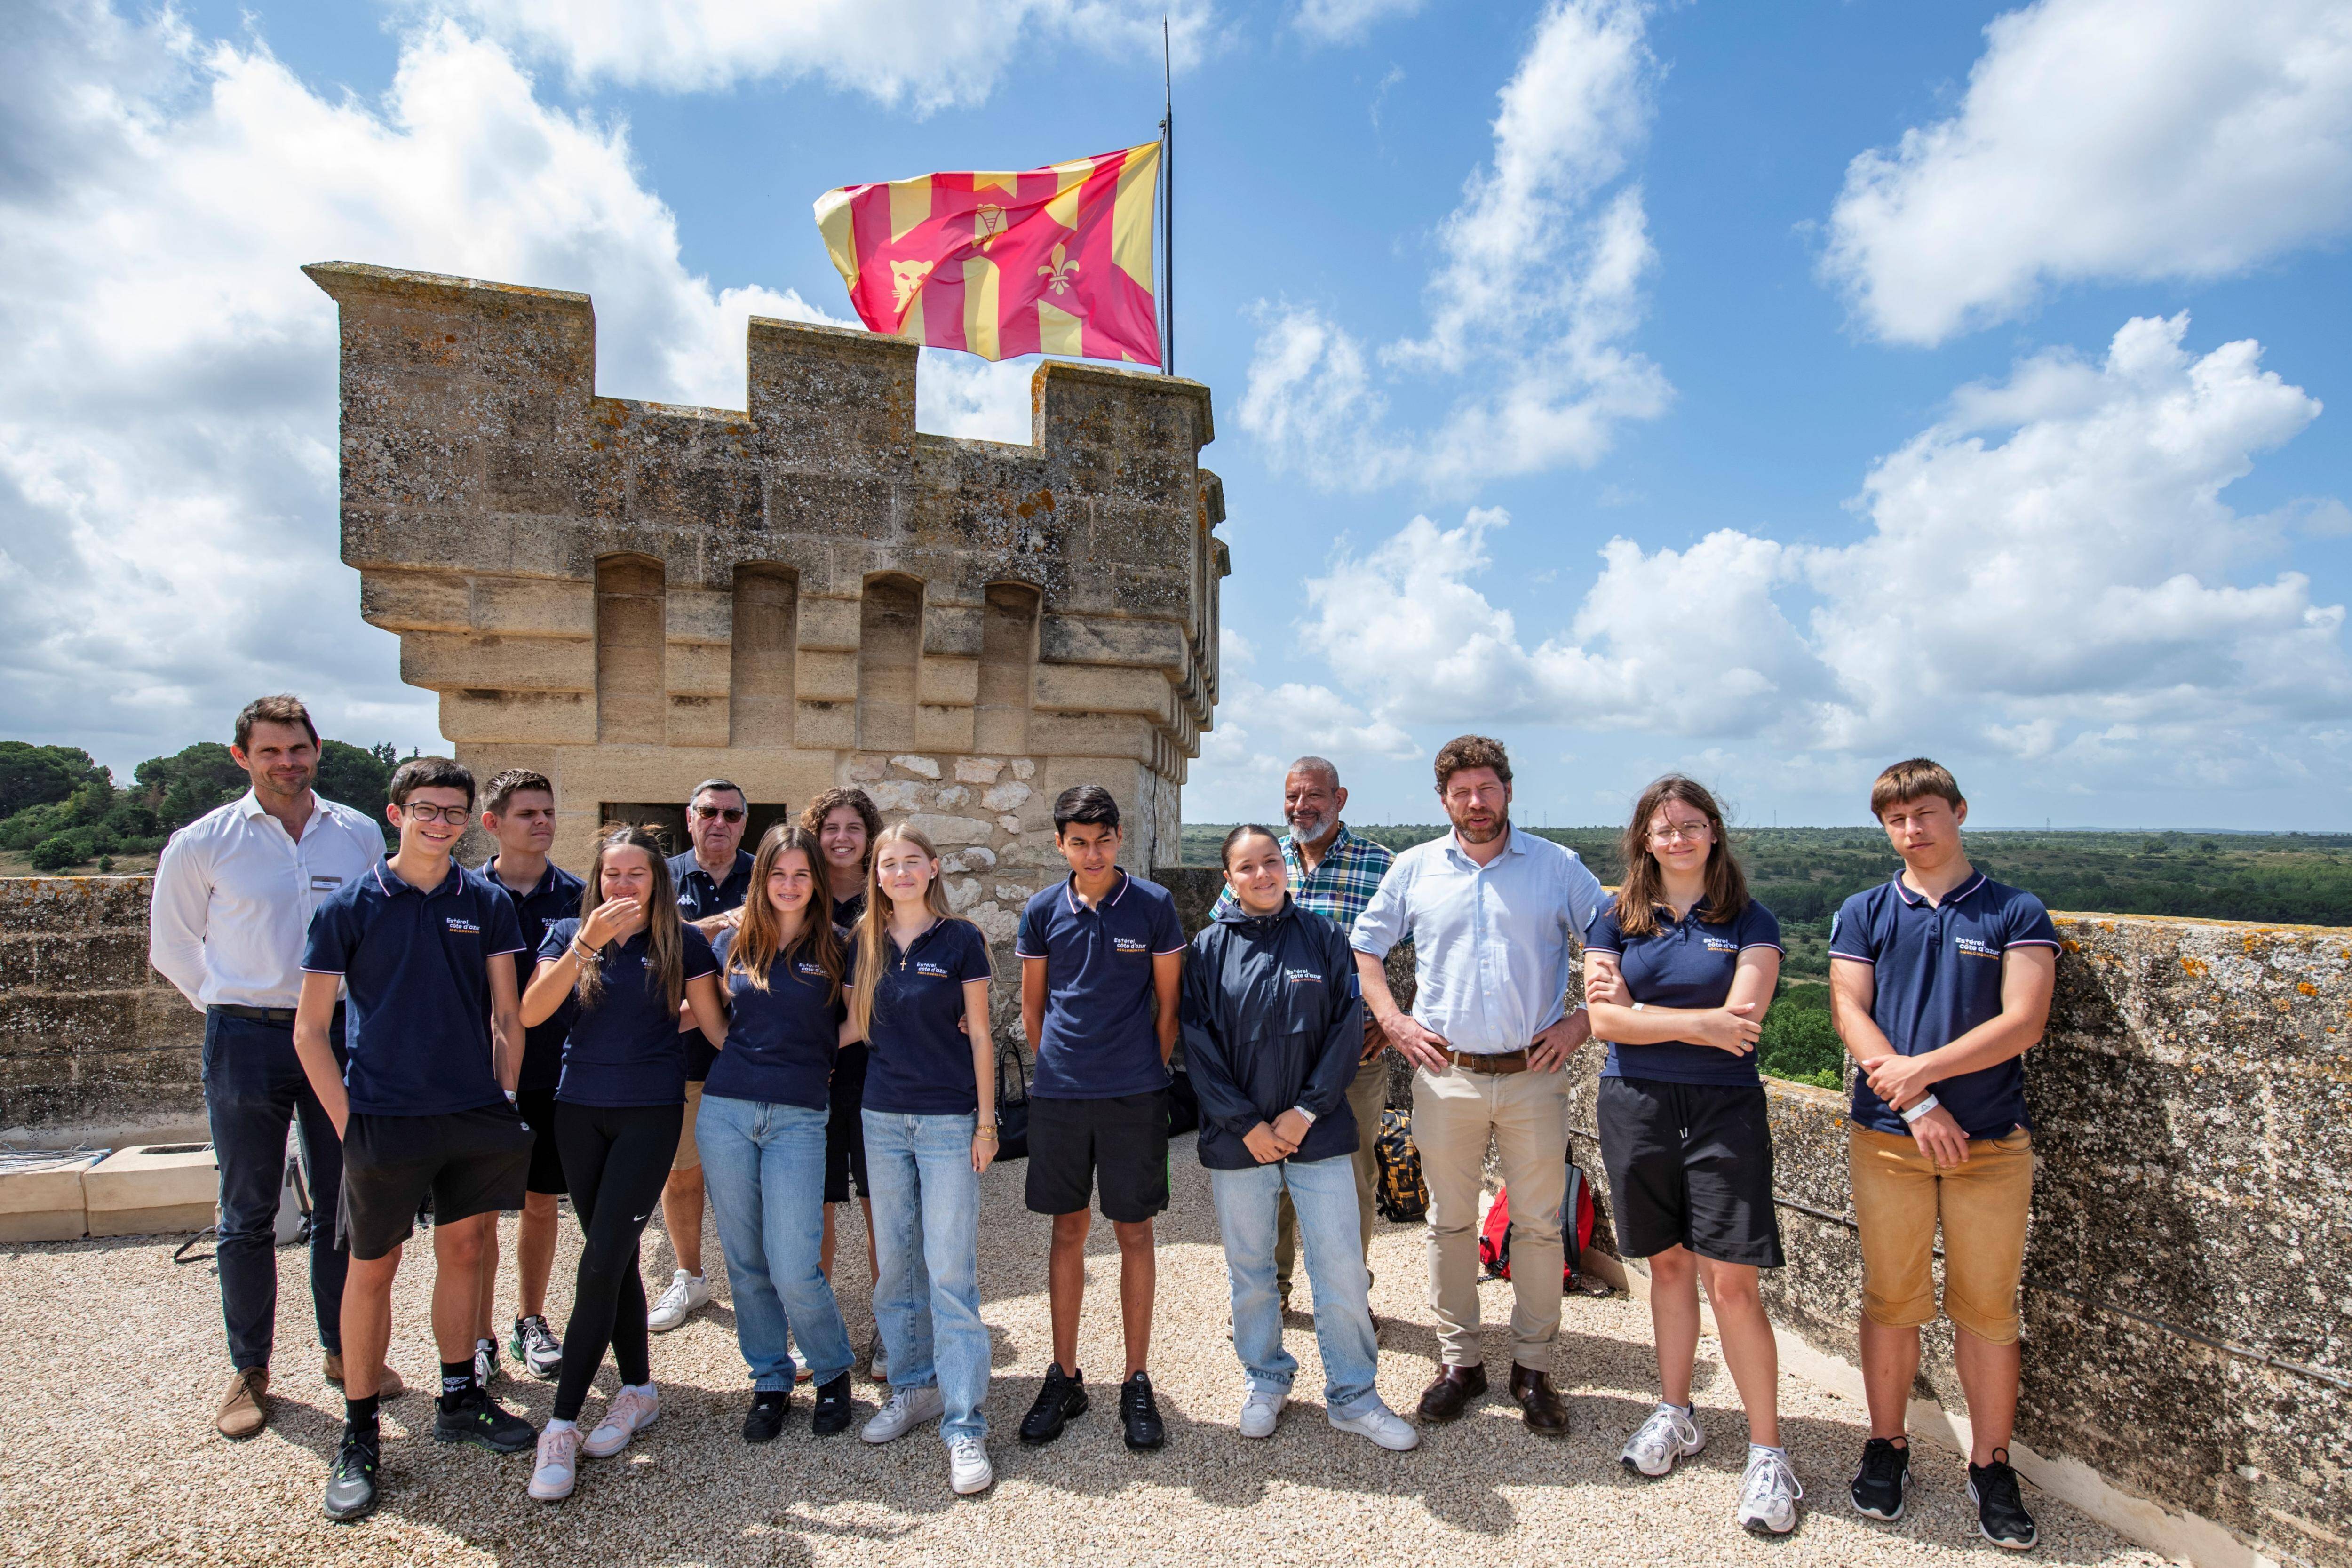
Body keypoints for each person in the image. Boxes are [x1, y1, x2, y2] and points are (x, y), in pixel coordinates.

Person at [148, 694, 405, 1441]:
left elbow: (379, 930)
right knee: (247, 1210)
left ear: (317, 749)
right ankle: (250, 1369)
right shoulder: (203, 841)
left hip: (339, 1034)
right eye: (270, 751)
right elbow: (173, 946)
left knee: (343, 1200)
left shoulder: (355, 834)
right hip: (248, 1036)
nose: (286, 763)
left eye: (297, 749)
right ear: (243, 758)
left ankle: (340, 1348)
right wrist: (226, 1004)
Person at [292, 756, 538, 1523]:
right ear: (396, 813)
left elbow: (508, 1014)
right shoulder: (352, 905)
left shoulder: (487, 902)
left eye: (454, 811)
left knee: (464, 1253)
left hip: (470, 1112)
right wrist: (347, 1124)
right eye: (425, 808)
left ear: (470, 820)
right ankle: (360, 1432)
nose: (440, 822)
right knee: (373, 1268)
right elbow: (309, 1029)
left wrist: (502, 1097)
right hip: (383, 1116)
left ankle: (460, 1396)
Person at [1828, 760, 2058, 1552]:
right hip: (1890, 1138)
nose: (1913, 830)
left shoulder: (2012, 909)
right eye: (1897, 819)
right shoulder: (1865, 910)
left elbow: (2023, 1020)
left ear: (1958, 811)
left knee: (1988, 1308)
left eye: (1926, 813)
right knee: (1892, 1297)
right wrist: (1919, 1103)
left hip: (1990, 1142)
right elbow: (1849, 1011)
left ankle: (1990, 1462)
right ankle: (1886, 1443)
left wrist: (1923, 1068)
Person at [1351, 735, 1603, 1436]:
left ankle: (1534, 1366)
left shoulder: (1558, 866)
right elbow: (1367, 949)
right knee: (1450, 1223)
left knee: (1538, 1226)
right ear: (1444, 801)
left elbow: (1619, 945)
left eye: (1487, 788)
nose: (1476, 802)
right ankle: (1460, 1362)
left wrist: (1582, 1024)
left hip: (1534, 1076)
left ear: (1508, 791)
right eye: (1462, 792)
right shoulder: (1414, 868)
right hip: (1446, 1074)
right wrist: (1395, 1022)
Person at [1582, 776, 1799, 1534]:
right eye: (1662, 827)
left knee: (1732, 1282)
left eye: (1692, 825)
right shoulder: (1616, 918)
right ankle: (1677, 1412)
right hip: (1635, 1104)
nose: (1677, 838)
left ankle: (1769, 1451)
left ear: (1714, 833)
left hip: (1722, 1110)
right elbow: (1603, 1023)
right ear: (1644, 838)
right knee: (1668, 1267)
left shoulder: (1750, 919)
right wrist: (1690, 1023)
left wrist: (1647, 1014)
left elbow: (1743, 1022)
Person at [1183, 825, 1419, 1452]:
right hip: (1241, 1140)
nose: (1262, 875)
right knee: (1253, 1270)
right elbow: (1199, 1046)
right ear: (1228, 879)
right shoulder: (1207, 951)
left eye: (1270, 862)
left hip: (1317, 1131)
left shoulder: (1323, 937)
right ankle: (1265, 1378)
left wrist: (1305, 1113)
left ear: (1283, 868)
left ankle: (1354, 1395)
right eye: (1246, 867)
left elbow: (1347, 1030)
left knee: (1340, 1266)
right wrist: (1249, 1124)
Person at [517, 825, 728, 1502]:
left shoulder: (683, 941)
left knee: (602, 1260)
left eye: (638, 874)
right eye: (613, 874)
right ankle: (637, 1389)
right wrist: (586, 943)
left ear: (657, 882)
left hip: (650, 1111)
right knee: (617, 1255)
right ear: (598, 880)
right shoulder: (566, 933)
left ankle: (562, 1423)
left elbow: (713, 1022)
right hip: (578, 1109)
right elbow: (531, 1011)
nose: (624, 886)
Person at [1014, 785, 1186, 1452]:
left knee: (1135, 1231)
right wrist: (1063, 1068)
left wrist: (1143, 1070)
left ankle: (1136, 1378)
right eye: (1078, 841)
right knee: (1067, 1230)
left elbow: (1167, 1009)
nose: (1092, 852)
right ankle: (1064, 1375)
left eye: (1103, 839)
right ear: (1060, 843)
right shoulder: (1040, 911)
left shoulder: (1154, 906)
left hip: (1135, 1095)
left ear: (1120, 838)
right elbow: (1035, 1010)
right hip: (1061, 1095)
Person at [843, 823, 999, 1496]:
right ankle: (912, 1388)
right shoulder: (865, 941)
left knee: (949, 1269)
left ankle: (965, 1423)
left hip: (947, 1119)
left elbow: (984, 1033)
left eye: (912, 861)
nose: (901, 872)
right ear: (877, 875)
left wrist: (987, 1123)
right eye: (889, 863)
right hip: (881, 1118)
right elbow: (851, 1024)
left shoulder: (961, 939)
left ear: (933, 868)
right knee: (896, 1264)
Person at [1209, 756, 1395, 1314]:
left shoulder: (1380, 865)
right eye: (1291, 797)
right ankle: (1275, 1295)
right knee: (1273, 1179)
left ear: (1339, 799)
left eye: (1313, 796)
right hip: (1267, 1059)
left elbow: (1426, 948)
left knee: (1353, 1180)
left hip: (1350, 1058)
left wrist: (1391, 1017)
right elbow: (1222, 940)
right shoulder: (1266, 859)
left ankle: (1345, 1300)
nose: (1300, 807)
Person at [698, 824, 859, 1442]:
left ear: (816, 882)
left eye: (801, 874)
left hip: (798, 1115)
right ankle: (769, 1378)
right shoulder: (732, 944)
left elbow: (859, 1020)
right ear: (760, 878)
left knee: (795, 1263)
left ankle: (831, 1369)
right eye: (778, 874)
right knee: (745, 1260)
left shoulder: (841, 945)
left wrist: (815, 1052)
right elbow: (714, 1026)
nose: (789, 886)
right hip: (727, 1112)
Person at [472, 769, 582, 1385]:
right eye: (526, 814)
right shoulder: (461, 895)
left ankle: (531, 1319)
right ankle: (479, 1333)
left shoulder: (577, 897)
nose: (542, 822)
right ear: (492, 823)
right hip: (480, 1080)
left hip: (552, 1074)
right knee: (480, 1213)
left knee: (542, 1204)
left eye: (548, 811)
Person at [651, 779, 754, 1334]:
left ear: (744, 821)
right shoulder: (660, 876)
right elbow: (641, 945)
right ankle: (688, 1276)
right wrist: (711, 926)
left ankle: (762, 1282)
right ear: (688, 818)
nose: (720, 822)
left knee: (754, 1181)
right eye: (708, 812)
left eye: (731, 814)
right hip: (684, 1053)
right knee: (683, 1173)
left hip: (754, 1058)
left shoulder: (768, 873)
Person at [802, 785, 885, 1379]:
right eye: (830, 826)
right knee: (817, 1201)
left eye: (853, 827)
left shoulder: (886, 897)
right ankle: (818, 1329)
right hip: (808, 1073)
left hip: (876, 1066)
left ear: (868, 835)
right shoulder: (795, 893)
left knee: (880, 1201)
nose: (841, 838)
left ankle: (891, 1324)